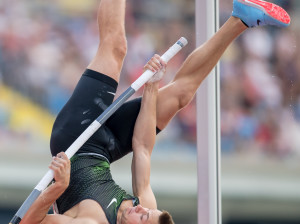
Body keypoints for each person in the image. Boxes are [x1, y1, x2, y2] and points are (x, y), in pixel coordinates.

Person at [20, 0, 291, 223]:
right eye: (147, 212)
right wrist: (152, 86)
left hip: (73, 139)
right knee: (180, 96)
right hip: (104, 149)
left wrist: (57, 187)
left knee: (115, 49)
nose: (140, 209)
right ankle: (240, 19)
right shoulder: (147, 205)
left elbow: (33, 221)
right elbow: (142, 147)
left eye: (142, 217)